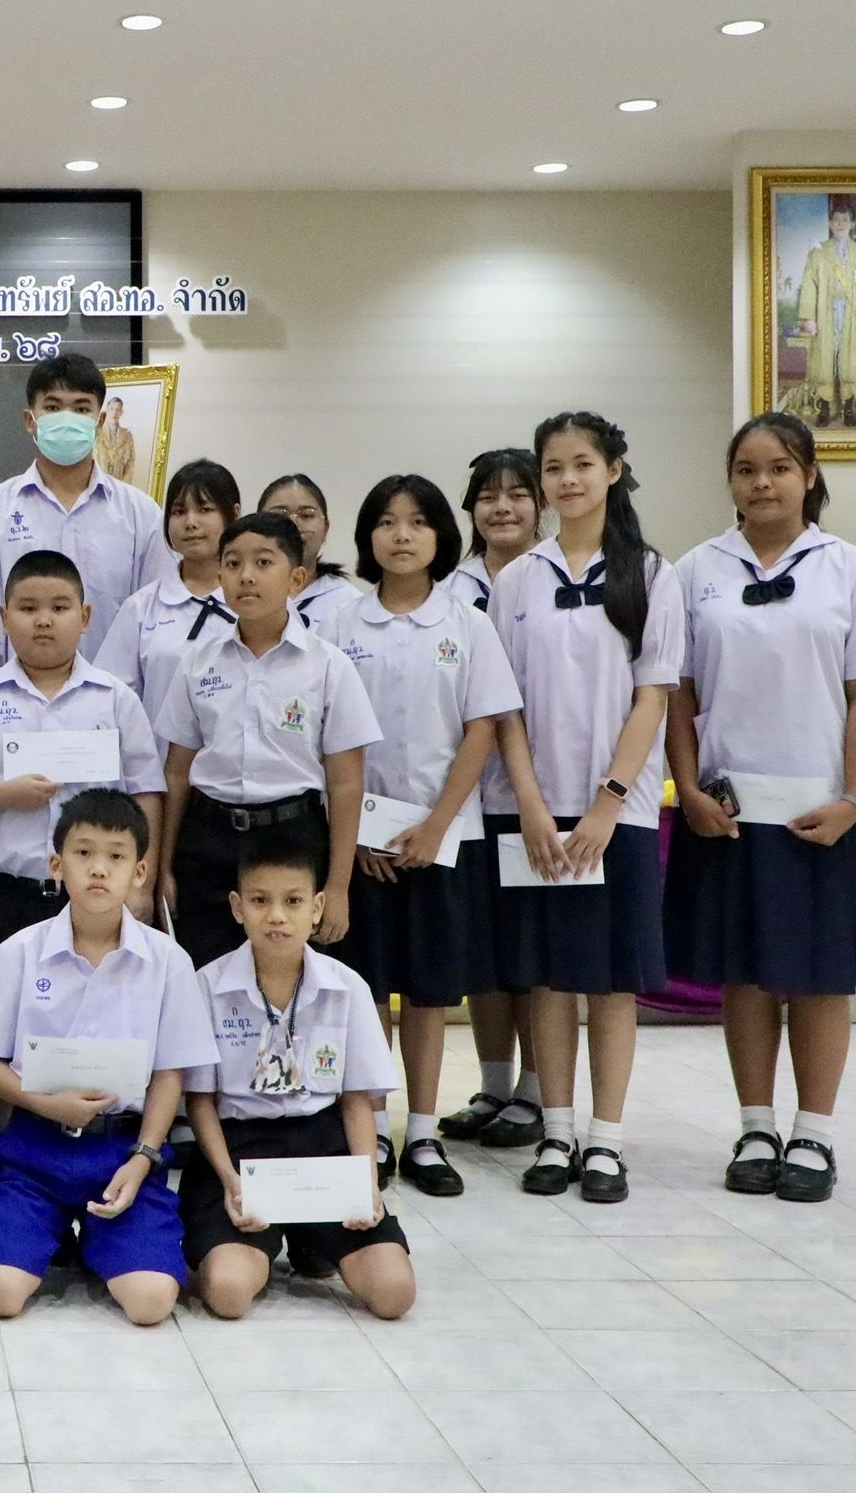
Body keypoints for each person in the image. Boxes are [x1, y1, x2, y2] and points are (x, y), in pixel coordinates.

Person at [665, 413, 856, 1203]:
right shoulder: (695, 571)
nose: (762, 483)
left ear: (809, 476)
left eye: (779, 468)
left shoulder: (852, 571)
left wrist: (852, 800)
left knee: (821, 979)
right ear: (730, 480)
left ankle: (815, 1134)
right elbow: (678, 695)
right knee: (746, 977)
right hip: (730, 813)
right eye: (746, 469)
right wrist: (688, 790)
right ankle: (757, 1126)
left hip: (822, 814)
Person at [490, 411, 685, 1204]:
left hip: (618, 815)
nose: (567, 480)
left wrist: (606, 804)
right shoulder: (518, 580)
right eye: (554, 467)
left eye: (581, 464)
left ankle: (605, 1140)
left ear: (613, 470)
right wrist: (532, 803)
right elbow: (502, 706)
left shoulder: (652, 573)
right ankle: (557, 1130)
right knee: (547, 978)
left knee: (609, 982)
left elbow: (653, 697)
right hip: (535, 812)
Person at [323, 474, 520, 1196]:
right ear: (367, 536)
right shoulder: (339, 624)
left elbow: (483, 728)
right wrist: (355, 837)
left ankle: (426, 1131)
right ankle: (373, 1126)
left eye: (417, 522)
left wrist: (436, 825)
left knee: (432, 993)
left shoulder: (466, 622)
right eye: (385, 521)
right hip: (361, 842)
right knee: (368, 988)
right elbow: (328, 738)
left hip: (444, 837)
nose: (401, 535)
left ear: (441, 534)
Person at [0, 791, 216, 1326]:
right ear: (56, 865)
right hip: (33, 1147)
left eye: (116, 856)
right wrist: (47, 1105)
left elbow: (171, 1073)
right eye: (83, 853)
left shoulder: (167, 960)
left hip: (123, 1148)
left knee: (151, 1302)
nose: (99, 868)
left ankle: (101, 1242)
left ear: (140, 872)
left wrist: (143, 1157)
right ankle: (51, 1233)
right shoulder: (19, 951)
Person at [182, 828, 414, 1320]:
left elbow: (357, 1101)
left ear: (317, 907)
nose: (277, 916)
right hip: (239, 1146)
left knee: (394, 1293)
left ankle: (311, 1240)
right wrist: (229, 1180)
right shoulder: (206, 986)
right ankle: (245, 1249)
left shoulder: (346, 987)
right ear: (237, 907)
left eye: (293, 901)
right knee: (228, 1294)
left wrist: (365, 1182)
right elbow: (200, 1101)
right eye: (260, 901)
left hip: (323, 1146)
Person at [0, 551, 164, 1000]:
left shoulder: (115, 698)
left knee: (98, 1015)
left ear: (85, 616)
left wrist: (143, 885)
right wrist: (4, 795)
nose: (43, 620)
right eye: (28, 608)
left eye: (59, 607)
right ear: (4, 617)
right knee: (6, 1019)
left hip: (97, 895)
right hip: (6, 895)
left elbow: (146, 792)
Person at [156, 512, 377, 969]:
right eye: (233, 564)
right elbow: (176, 773)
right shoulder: (197, 662)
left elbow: (346, 784)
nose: (246, 576)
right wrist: (163, 866)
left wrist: (337, 887)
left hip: (293, 834)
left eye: (263, 562)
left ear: (296, 578)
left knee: (288, 976)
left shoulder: (328, 666)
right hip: (210, 839)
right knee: (205, 974)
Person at [441, 447, 551, 1151]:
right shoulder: (449, 589)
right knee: (484, 948)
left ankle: (537, 1090)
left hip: (539, 792)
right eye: (487, 495)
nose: (502, 507)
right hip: (465, 797)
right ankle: (492, 1084)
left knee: (534, 948)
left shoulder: (557, 578)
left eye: (517, 494)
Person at [0, 353, 174, 681]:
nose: (66, 419)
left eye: (81, 408)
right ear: (29, 420)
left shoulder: (142, 515)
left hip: (115, 701)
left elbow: (160, 622)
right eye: (52, 407)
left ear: (100, 421)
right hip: (12, 702)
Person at [95, 457, 243, 718]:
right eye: (178, 511)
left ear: (234, 514)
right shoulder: (141, 608)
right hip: (156, 744)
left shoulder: (257, 600)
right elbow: (109, 698)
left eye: (205, 509)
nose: (191, 522)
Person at [794, 195, 856, 426]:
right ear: (830, 223)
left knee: (850, 358)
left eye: (845, 220)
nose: (840, 224)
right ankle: (824, 407)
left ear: (852, 224)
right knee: (824, 358)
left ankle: (849, 407)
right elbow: (809, 285)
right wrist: (808, 317)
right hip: (825, 312)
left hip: (851, 313)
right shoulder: (819, 252)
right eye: (836, 220)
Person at [259, 473, 360, 628]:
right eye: (279, 515)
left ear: (325, 529)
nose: (293, 525)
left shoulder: (349, 603)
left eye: (306, 515)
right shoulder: (238, 592)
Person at [96, 394, 137, 485]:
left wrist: (124, 486)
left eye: (117, 409)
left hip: (118, 484)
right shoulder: (97, 434)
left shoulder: (127, 437)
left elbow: (130, 463)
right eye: (111, 409)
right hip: (97, 483)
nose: (114, 412)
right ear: (107, 410)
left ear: (121, 412)